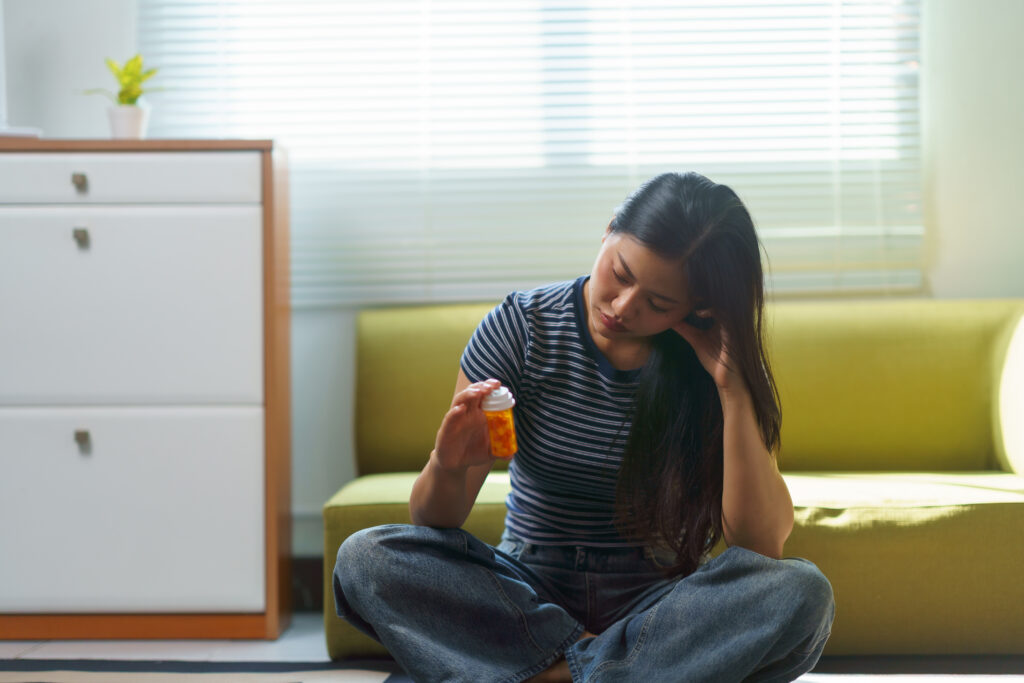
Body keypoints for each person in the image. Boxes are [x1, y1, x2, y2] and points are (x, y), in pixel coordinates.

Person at [333, 171, 835, 682]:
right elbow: (434, 520)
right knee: (365, 559)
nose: (622, 307)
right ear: (609, 230)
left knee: (802, 593)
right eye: (620, 273)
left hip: (658, 603)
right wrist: (446, 464)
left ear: (698, 308)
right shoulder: (521, 329)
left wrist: (733, 388)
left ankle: (552, 674)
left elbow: (759, 546)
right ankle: (613, 670)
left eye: (658, 304)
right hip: (529, 586)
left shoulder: (711, 366)